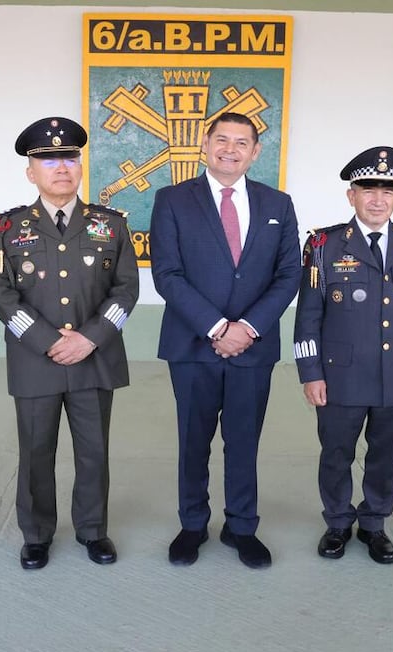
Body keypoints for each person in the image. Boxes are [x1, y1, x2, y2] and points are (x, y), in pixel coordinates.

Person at [0, 117, 138, 569]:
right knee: (35, 452)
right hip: (37, 361)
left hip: (95, 358)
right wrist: (49, 341)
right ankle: (36, 534)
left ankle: (92, 530)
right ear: (31, 171)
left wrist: (90, 339)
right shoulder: (5, 228)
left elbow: (126, 290)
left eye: (70, 157)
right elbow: (0, 295)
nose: (61, 167)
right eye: (48, 159)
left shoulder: (110, 225)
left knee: (93, 451)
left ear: (80, 166)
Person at [151, 112, 301, 569]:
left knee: (244, 441)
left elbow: (289, 273)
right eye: (222, 139)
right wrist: (218, 328)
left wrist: (247, 329)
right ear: (205, 144)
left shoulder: (279, 203)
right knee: (193, 441)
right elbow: (167, 275)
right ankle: (193, 524)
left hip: (253, 347)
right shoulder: (173, 200)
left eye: (242, 142)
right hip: (193, 346)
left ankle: (241, 527)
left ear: (256, 152)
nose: (230, 149)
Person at [294, 147, 393, 564]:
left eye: (388, 190)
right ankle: (338, 521)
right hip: (340, 374)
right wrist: (310, 371)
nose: (378, 199)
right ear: (351, 195)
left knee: (386, 456)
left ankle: (374, 523)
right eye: (368, 189)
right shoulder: (323, 244)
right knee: (337, 453)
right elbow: (308, 315)